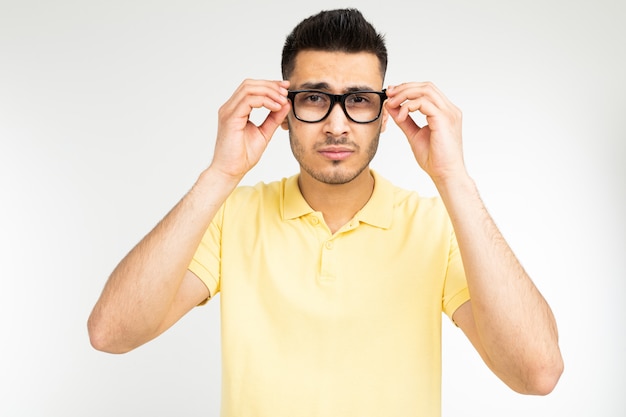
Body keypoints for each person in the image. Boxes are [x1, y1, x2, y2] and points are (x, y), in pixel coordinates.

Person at [88, 8, 563, 417]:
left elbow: (537, 373)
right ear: (284, 107)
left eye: (358, 100)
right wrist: (220, 173)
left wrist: (454, 178)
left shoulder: (435, 224)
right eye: (315, 98)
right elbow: (112, 333)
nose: (337, 125)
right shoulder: (232, 216)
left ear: (384, 112)